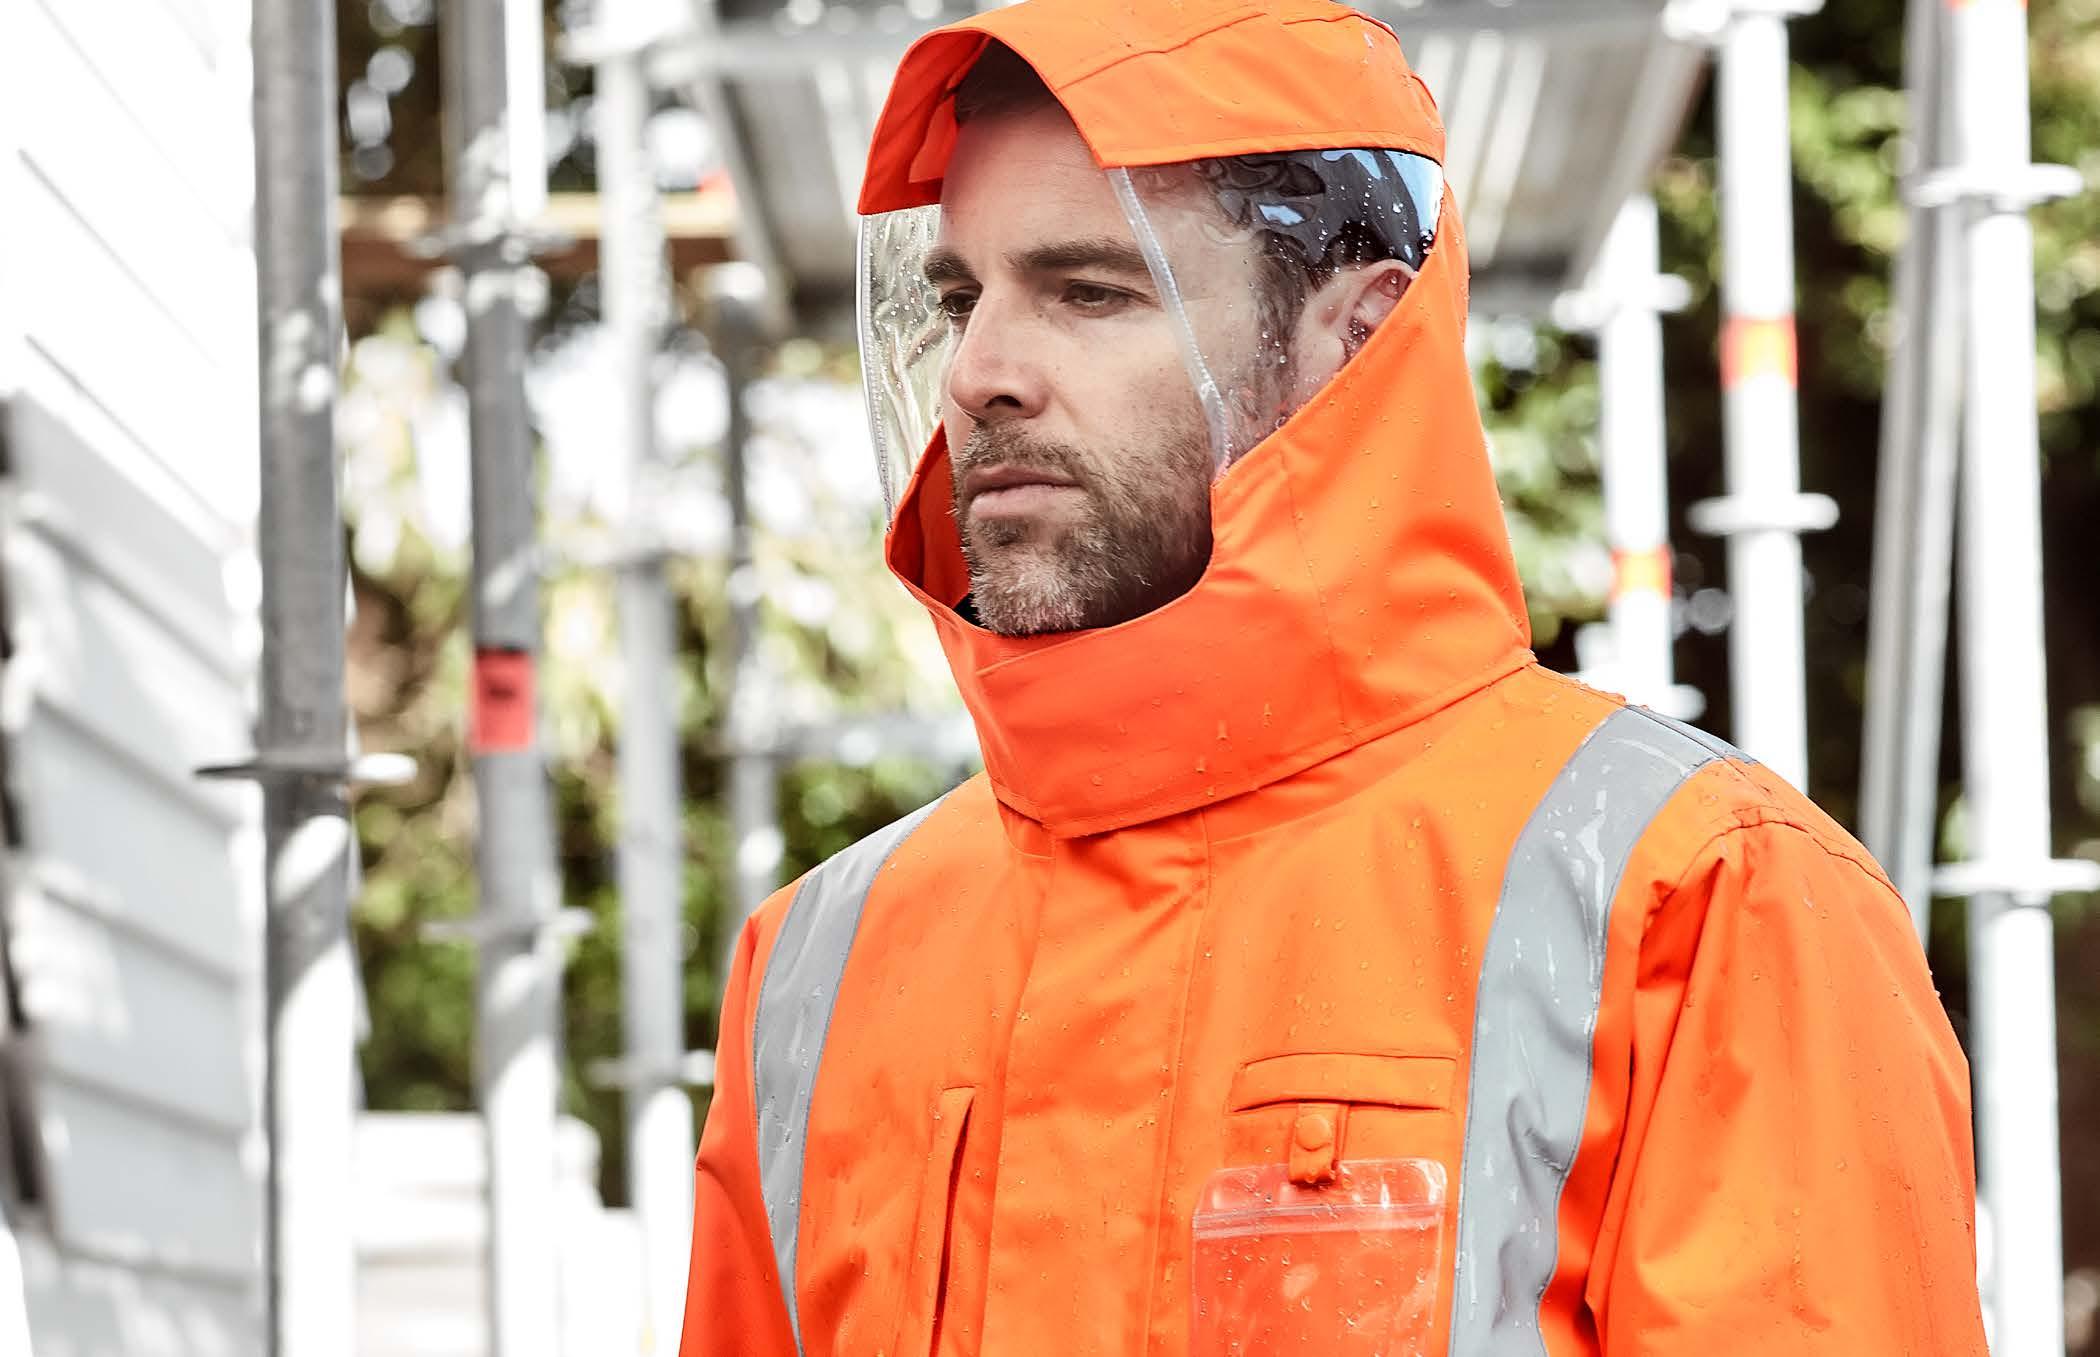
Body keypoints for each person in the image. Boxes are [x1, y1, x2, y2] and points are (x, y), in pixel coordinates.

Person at [681, 2, 1989, 1353]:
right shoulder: (817, 964)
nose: (979, 374)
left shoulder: (1700, 897)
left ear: (1353, 338)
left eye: (1091, 291)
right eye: (962, 300)